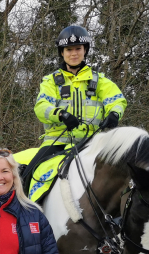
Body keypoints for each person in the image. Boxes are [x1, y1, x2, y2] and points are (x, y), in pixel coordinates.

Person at [22, 25, 127, 186]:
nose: (74, 53)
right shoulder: (51, 81)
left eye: (78, 48)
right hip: (56, 142)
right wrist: (60, 114)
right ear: (62, 52)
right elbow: (41, 106)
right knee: (28, 174)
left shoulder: (99, 81)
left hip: (93, 142)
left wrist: (114, 114)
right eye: (68, 49)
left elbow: (117, 100)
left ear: (85, 50)